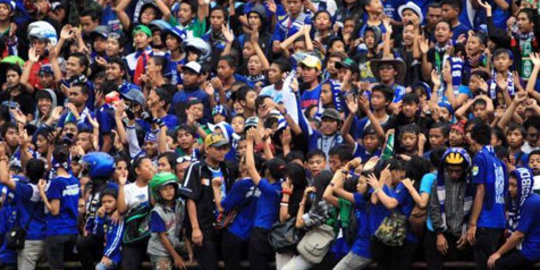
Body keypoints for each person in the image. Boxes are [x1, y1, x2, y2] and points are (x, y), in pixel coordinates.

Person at [467, 123, 507, 270]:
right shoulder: (499, 161)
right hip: (499, 221)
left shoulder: (480, 158)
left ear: (472, 138)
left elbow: (480, 190)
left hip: (485, 221)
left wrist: (473, 223)